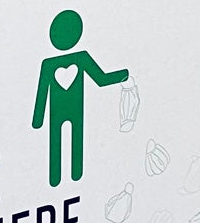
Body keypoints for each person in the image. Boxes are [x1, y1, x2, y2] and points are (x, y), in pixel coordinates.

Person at [32, 10, 128, 186]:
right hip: (59, 111)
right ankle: (56, 178)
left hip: (75, 109)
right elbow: (42, 91)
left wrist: (121, 76)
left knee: (76, 138)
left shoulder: (80, 58)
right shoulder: (50, 64)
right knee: (57, 140)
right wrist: (37, 119)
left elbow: (100, 78)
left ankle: (75, 175)